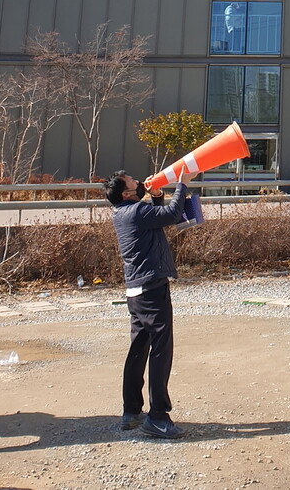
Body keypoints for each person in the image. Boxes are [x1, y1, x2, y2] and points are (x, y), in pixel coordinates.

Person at [104, 167, 196, 439]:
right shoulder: (136, 212)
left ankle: (131, 411)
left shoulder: (124, 213)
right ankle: (157, 417)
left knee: (138, 350)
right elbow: (171, 215)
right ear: (126, 192)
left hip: (136, 292)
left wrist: (156, 196)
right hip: (152, 290)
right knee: (160, 350)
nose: (139, 181)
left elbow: (155, 219)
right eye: (134, 181)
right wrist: (182, 184)